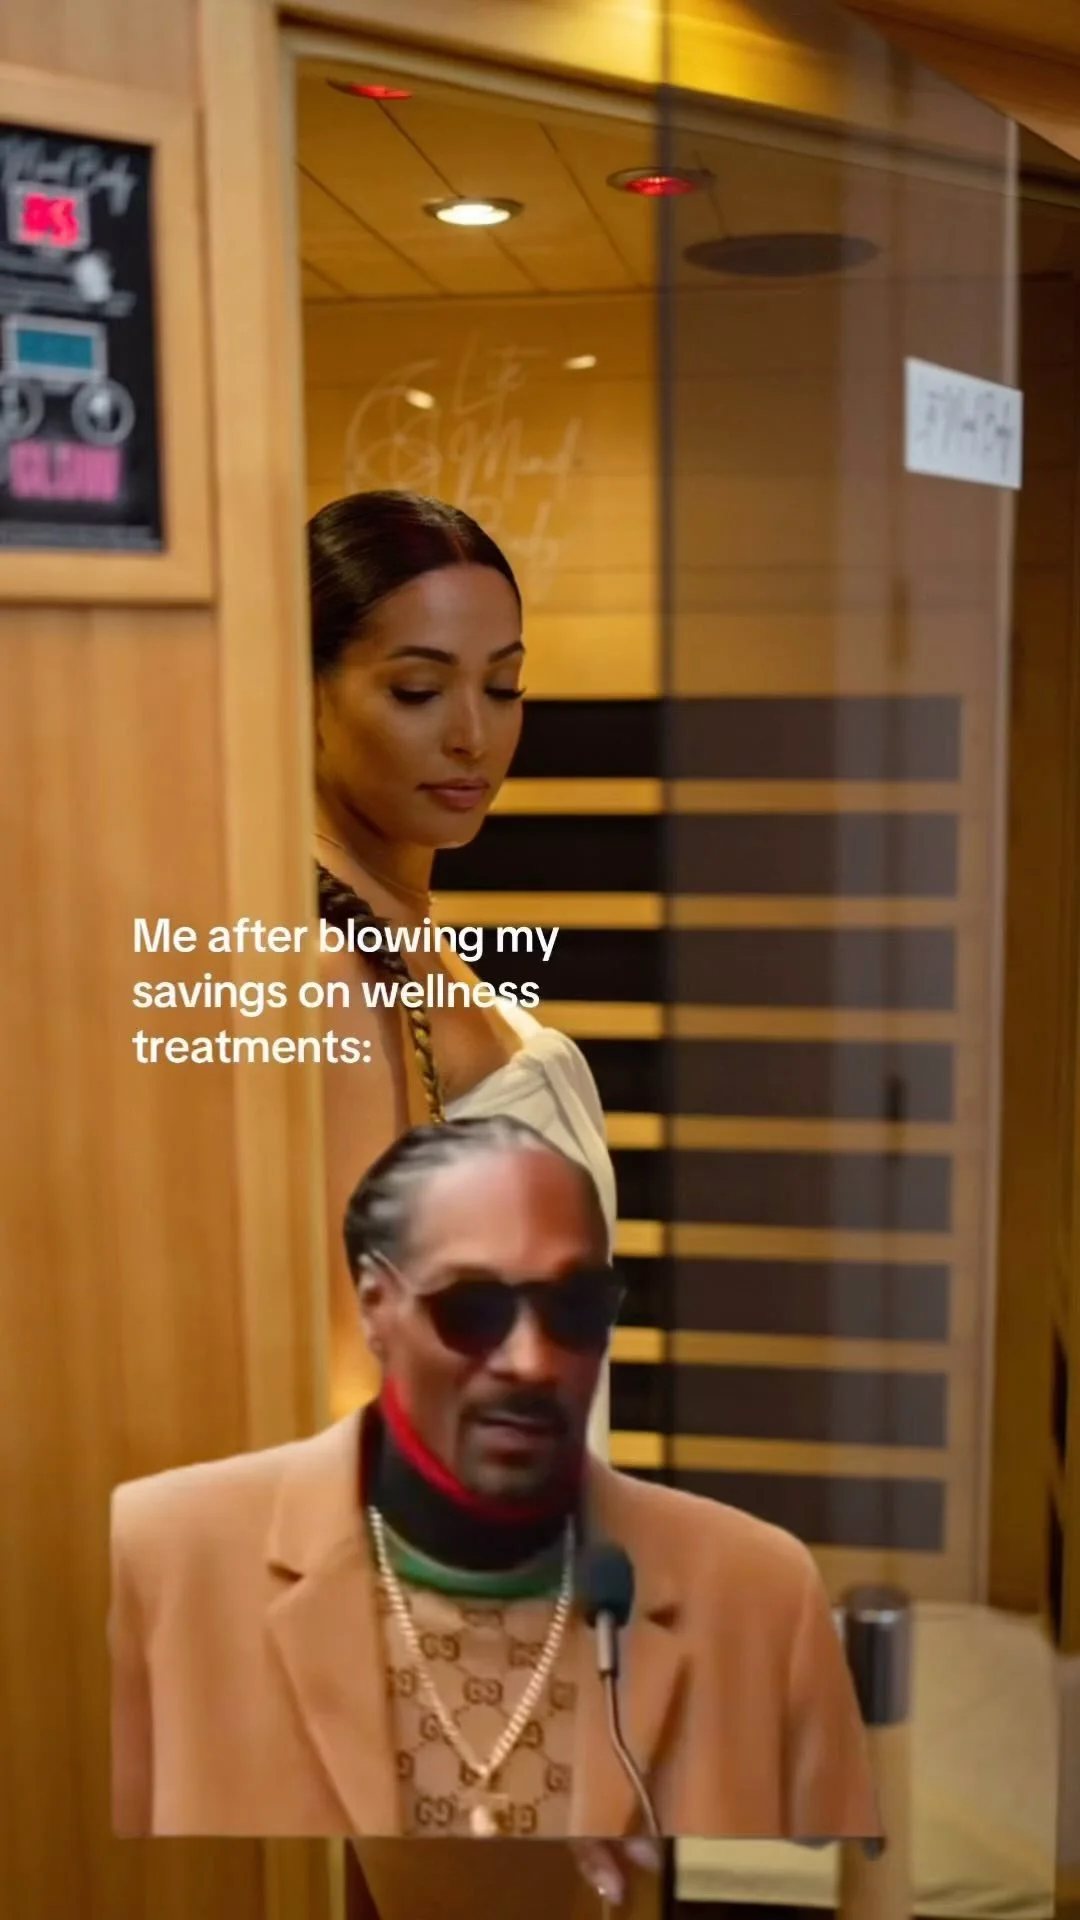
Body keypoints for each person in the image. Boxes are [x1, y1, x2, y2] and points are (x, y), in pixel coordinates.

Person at [110, 1118, 880, 1870]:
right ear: (376, 1305)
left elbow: (857, 1886)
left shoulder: (759, 1594)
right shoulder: (167, 1562)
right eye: (473, 1309)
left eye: (574, 1309)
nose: (533, 1362)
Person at [307, 489, 616, 1422]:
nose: (473, 736)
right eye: (418, 690)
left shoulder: (392, 924)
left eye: (503, 686)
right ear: (298, 688)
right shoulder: (334, 969)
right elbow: (355, 1384)